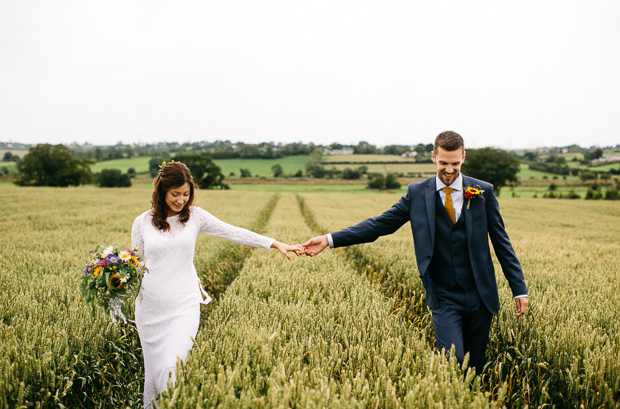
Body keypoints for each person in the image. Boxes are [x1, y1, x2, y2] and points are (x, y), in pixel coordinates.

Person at [302, 131, 528, 374]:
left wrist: (519, 289)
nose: (449, 170)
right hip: (443, 296)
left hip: (480, 296)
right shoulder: (417, 193)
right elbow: (379, 225)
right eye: (443, 163)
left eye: (455, 163)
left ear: (464, 157)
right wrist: (329, 239)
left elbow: (502, 243)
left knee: (474, 368)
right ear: (433, 157)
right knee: (453, 363)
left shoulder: (483, 192)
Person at [131, 161, 304, 408]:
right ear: (161, 192)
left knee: (172, 368)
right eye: (175, 194)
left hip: (184, 305)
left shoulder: (196, 217)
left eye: (186, 194)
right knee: (156, 373)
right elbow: (136, 263)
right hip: (149, 310)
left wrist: (274, 243)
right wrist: (112, 277)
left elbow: (233, 232)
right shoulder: (142, 222)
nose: (181, 200)